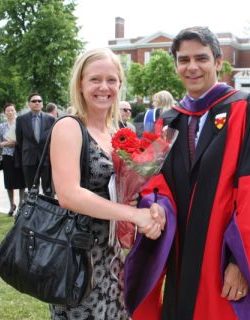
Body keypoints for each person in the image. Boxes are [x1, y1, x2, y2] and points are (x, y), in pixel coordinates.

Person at [124, 27, 250, 320]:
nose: (192, 67)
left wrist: (242, 263)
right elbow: (155, 184)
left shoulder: (248, 108)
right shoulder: (169, 121)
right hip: (180, 259)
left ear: (218, 62)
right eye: (184, 60)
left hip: (222, 262)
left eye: (201, 58)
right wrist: (156, 208)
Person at [48, 48, 163, 319]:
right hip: (77, 259)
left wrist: (148, 208)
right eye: (95, 79)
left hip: (111, 256)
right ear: (80, 84)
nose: (104, 87)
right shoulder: (69, 127)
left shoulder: (117, 133)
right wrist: (133, 214)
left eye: (111, 80)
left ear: (120, 84)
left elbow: (121, 191)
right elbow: (69, 194)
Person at [15, 93, 55, 196]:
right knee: (32, 190)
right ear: (29, 104)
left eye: (39, 101)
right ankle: (33, 210)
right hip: (29, 158)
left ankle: (49, 211)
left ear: (42, 104)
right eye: (34, 101)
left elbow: (53, 139)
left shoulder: (50, 119)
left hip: (46, 159)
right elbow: (19, 140)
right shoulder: (21, 119)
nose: (37, 103)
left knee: (48, 190)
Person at [0, 103, 26, 216]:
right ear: (5, 113)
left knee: (21, 181)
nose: (10, 112)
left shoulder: (20, 124)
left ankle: (21, 205)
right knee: (9, 182)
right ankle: (11, 204)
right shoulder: (2, 127)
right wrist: (5, 143)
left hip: (19, 154)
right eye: (8, 111)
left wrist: (16, 143)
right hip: (7, 156)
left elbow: (25, 139)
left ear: (15, 111)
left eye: (12, 110)